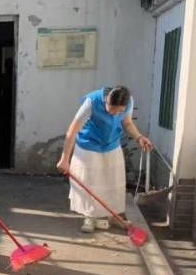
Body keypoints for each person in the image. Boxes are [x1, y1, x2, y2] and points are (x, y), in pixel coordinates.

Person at [57, 86, 153, 233]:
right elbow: (72, 131)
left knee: (113, 181)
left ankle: (114, 217)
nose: (115, 114)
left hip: (112, 145)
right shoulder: (91, 103)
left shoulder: (128, 102)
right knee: (90, 182)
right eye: (112, 110)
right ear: (106, 100)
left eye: (120, 111)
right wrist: (64, 159)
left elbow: (127, 123)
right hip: (88, 145)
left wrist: (139, 137)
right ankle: (90, 217)